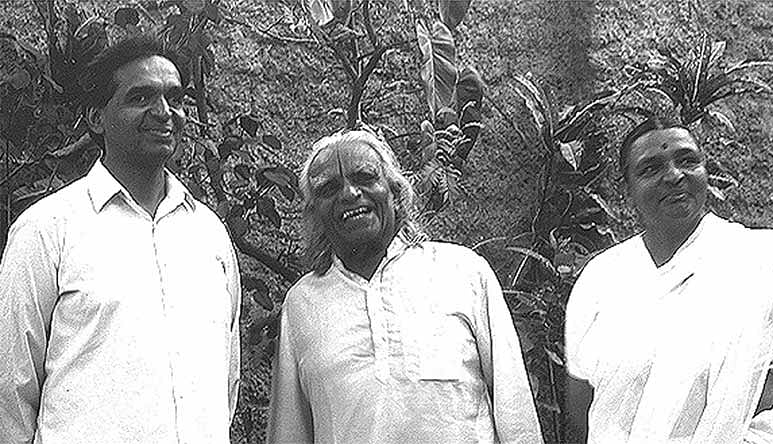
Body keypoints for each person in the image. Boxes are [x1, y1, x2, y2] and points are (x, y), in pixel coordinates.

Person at [0, 35, 241, 443]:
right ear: (97, 118)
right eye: (141, 97)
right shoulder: (46, 229)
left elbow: (226, 380)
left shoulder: (209, 234)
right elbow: (11, 389)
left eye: (175, 98)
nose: (164, 112)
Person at [267, 129, 543, 443]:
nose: (349, 194)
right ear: (314, 212)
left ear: (395, 192)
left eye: (365, 177)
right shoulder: (303, 303)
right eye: (328, 188)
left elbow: (515, 407)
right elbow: (289, 432)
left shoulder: (462, 272)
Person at [564, 116, 773, 443]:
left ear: (705, 171)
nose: (674, 175)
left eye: (688, 161)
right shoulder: (600, 279)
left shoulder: (766, 260)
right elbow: (581, 410)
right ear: (627, 189)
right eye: (650, 168)